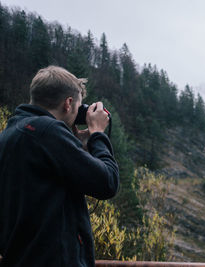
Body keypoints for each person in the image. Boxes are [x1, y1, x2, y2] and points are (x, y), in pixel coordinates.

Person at [0, 66, 119, 266]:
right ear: (68, 103)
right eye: (79, 107)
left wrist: (76, 146)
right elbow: (107, 182)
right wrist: (97, 133)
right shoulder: (48, 131)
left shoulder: (11, 133)